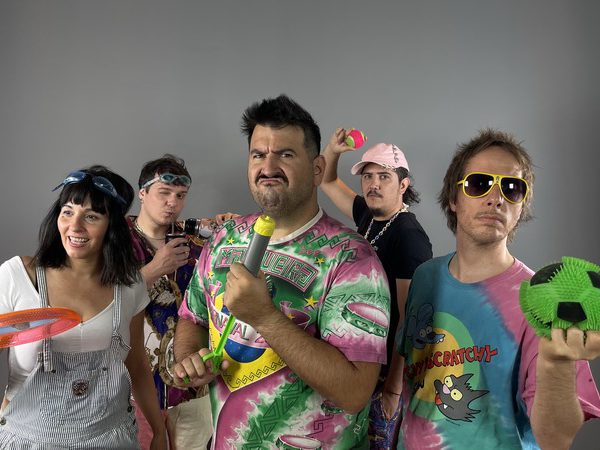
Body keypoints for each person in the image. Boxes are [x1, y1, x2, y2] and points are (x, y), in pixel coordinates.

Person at [172, 94, 391, 449]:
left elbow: (354, 392)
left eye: (285, 155)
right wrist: (189, 359)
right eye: (258, 154)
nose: (268, 166)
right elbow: (192, 317)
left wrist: (265, 317)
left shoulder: (353, 259)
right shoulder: (225, 238)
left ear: (318, 169)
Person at [395, 129, 600, 449]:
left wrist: (555, 363)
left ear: (522, 206)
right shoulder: (425, 277)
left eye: (512, 188)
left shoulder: (544, 301)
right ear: (453, 198)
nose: (496, 198)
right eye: (479, 184)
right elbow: (410, 373)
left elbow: (556, 438)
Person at [0, 165, 167, 449]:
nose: (75, 226)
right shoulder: (18, 277)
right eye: (67, 212)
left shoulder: (129, 285)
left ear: (111, 226)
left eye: (91, 216)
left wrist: (159, 431)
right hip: (29, 440)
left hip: (112, 438)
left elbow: (138, 364)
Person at [321, 130, 433, 448]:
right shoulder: (368, 216)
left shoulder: (408, 236)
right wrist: (333, 150)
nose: (374, 184)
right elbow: (327, 181)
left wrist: (393, 389)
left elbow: (408, 321)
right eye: (368, 176)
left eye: (384, 177)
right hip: (359, 363)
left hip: (386, 376)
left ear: (403, 185)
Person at [127, 154, 213, 449]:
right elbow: (96, 301)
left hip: (190, 386)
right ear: (142, 193)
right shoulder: (115, 241)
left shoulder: (196, 242)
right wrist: (151, 271)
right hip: (131, 388)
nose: (172, 202)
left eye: (180, 195)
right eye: (164, 192)